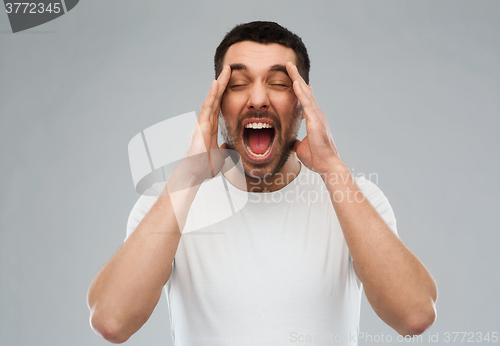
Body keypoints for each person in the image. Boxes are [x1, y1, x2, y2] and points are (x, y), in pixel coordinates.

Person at [87, 21, 437, 345]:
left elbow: (414, 316)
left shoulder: (353, 198)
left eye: (280, 83)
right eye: (238, 84)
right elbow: (112, 322)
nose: (257, 98)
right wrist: (188, 174)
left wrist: (333, 168)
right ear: (219, 104)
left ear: (302, 104)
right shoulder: (172, 202)